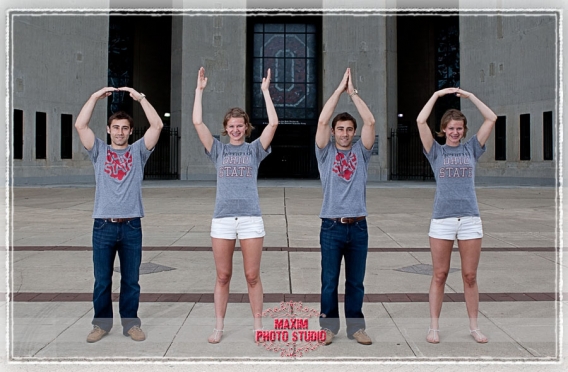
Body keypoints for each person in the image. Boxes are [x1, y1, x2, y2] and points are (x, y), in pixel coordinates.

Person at [192, 67, 278, 344]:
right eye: (231, 125)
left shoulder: (254, 150)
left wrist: (265, 92)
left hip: (251, 218)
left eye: (240, 125)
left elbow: (274, 124)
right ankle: (218, 327)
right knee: (223, 275)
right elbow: (197, 123)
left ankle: (258, 326)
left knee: (252, 276)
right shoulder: (218, 150)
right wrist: (199, 91)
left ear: (246, 127)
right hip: (223, 220)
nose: (236, 129)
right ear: (226, 128)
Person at [75, 86, 163, 343]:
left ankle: (130, 324)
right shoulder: (99, 151)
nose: (120, 132)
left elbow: (156, 126)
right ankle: (101, 324)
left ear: (131, 131)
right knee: (102, 280)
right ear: (108, 130)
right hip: (103, 225)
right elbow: (81, 125)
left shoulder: (138, 152)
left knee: (131, 280)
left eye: (125, 128)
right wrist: (93, 97)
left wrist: (141, 97)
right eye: (116, 127)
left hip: (131, 226)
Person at [416, 87, 497, 344]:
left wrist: (471, 97)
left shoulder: (472, 148)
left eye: (459, 128)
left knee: (470, 276)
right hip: (442, 219)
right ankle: (434, 327)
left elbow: (491, 118)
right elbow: (420, 120)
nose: (455, 132)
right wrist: (437, 95)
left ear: (463, 130)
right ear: (443, 129)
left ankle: (474, 326)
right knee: (440, 274)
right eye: (451, 128)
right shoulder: (436, 152)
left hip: (470, 219)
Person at [316, 68, 376, 346]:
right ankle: (328, 328)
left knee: (355, 283)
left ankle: (356, 328)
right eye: (340, 129)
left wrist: (353, 94)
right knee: (329, 281)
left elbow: (371, 121)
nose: (344, 133)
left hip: (359, 226)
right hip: (331, 225)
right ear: (333, 132)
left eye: (348, 129)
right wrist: (338, 90)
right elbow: (322, 118)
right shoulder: (325, 151)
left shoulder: (362, 152)